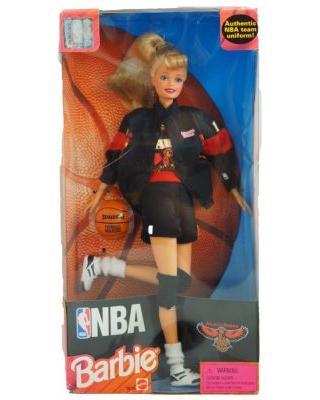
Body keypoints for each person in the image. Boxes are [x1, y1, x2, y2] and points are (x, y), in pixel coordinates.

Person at [81, 32, 237, 387]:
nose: (171, 84)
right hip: (157, 201)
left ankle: (104, 266)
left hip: (183, 201)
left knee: (181, 281)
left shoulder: (194, 119)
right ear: (151, 77)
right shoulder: (137, 120)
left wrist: (232, 186)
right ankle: (178, 366)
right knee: (169, 287)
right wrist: (101, 190)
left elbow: (220, 146)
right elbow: (115, 155)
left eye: (177, 79)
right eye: (164, 76)